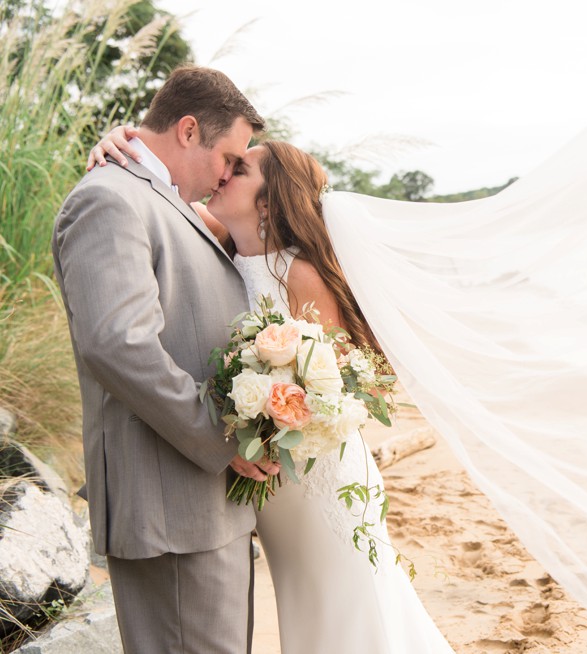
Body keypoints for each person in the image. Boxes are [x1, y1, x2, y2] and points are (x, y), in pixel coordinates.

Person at [90, 132, 456, 653]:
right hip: (273, 486)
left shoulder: (299, 272)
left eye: (239, 170)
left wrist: (274, 419)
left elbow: (341, 383)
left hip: (317, 478)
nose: (222, 174)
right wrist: (122, 142)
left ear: (269, 200)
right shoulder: (220, 241)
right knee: (307, 610)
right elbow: (162, 197)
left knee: (350, 608)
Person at [54, 66, 278, 654]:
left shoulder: (161, 198)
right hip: (169, 510)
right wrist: (222, 438)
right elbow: (117, 344)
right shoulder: (110, 198)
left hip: (203, 508)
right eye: (228, 156)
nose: (229, 172)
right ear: (186, 131)